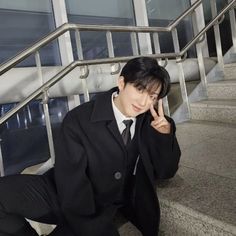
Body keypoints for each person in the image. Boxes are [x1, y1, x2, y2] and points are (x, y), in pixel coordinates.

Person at [0, 56, 181, 236]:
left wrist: (163, 136)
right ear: (121, 83)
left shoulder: (155, 123)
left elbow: (166, 171)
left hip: (100, 206)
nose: (143, 102)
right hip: (62, 192)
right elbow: (72, 183)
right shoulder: (79, 119)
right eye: (139, 89)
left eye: (152, 97)